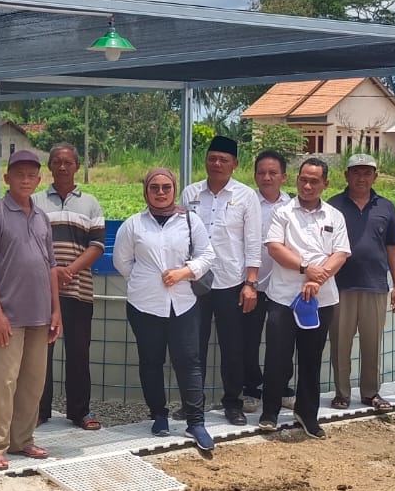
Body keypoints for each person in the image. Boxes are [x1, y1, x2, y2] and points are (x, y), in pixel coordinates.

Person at [113, 167, 216, 451]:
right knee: (150, 361)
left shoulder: (190, 221)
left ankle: (196, 421)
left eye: (166, 187)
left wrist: (185, 272)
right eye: (154, 187)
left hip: (183, 303)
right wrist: (144, 282)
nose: (160, 192)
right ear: (145, 191)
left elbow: (207, 255)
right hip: (144, 304)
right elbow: (123, 262)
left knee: (189, 362)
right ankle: (158, 415)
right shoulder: (133, 225)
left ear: (174, 189)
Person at [0, 149, 60, 470]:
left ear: (38, 179)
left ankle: (23, 439)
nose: (25, 179)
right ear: (6, 178)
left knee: (33, 381)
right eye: (19, 173)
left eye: (31, 174)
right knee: (5, 381)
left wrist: (56, 310)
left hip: (40, 313)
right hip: (9, 314)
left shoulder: (41, 217)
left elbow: (51, 266)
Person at [259, 157, 350, 441]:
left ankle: (307, 413)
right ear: (296, 180)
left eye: (314, 181)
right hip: (284, 298)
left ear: (326, 183)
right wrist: (304, 268)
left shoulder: (334, 216)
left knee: (311, 358)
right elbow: (274, 247)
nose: (308, 185)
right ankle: (270, 412)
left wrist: (317, 278)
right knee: (277, 357)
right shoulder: (283, 212)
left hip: (321, 301)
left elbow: (340, 253)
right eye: (303, 180)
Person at [181, 135, 261, 427]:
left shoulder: (245, 196)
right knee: (193, 347)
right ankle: (193, 404)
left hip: (231, 282)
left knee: (233, 348)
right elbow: (181, 236)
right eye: (212, 158)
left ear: (234, 164)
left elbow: (253, 241)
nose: (216, 164)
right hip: (196, 283)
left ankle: (233, 403)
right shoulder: (190, 193)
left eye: (223, 159)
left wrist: (250, 283)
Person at [327, 153, 395, 411]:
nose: (361, 177)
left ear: (375, 176)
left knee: (372, 343)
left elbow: (393, 248)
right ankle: (341, 393)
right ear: (346, 175)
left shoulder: (386, 207)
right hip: (340, 286)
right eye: (356, 172)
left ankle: (371, 393)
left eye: (367, 172)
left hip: (374, 286)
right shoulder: (333, 205)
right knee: (340, 342)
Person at [37, 143, 106, 429]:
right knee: (41, 354)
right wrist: (53, 273)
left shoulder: (90, 203)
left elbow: (97, 245)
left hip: (79, 290)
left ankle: (79, 411)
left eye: (68, 162)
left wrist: (69, 270)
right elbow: (32, 243)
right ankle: (39, 411)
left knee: (79, 352)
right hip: (42, 291)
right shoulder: (37, 202)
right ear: (49, 166)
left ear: (77, 166)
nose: (62, 167)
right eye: (57, 162)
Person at [241, 148, 291, 410]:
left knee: (282, 339)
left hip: (282, 285)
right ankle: (251, 388)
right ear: (254, 175)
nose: (267, 177)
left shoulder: (293, 205)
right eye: (261, 172)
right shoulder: (245, 202)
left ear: (283, 175)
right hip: (252, 284)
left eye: (273, 172)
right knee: (248, 339)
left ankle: (282, 387)